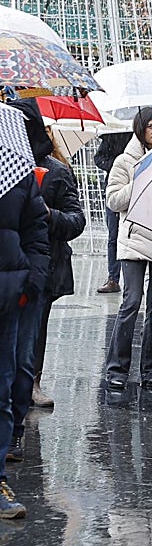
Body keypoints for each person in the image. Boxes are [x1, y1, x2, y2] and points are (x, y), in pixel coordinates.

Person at [5, 99, 85, 425]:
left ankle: (32, 382)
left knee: (33, 331)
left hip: (44, 264)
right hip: (9, 263)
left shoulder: (57, 172)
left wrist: (49, 215)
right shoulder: (6, 167)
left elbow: (77, 220)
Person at [104, 108, 152, 391]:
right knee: (131, 302)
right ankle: (117, 368)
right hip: (134, 241)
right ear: (140, 129)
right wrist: (142, 178)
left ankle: (151, 371)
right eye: (151, 126)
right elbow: (113, 201)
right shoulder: (125, 161)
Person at [0, 170, 49, 519]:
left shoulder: (17, 174)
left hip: (7, 298)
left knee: (1, 391)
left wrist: (29, 284)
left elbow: (36, 233)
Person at [94, 132, 132, 294]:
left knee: (136, 236)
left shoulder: (141, 135)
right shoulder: (111, 135)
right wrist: (118, 166)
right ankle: (113, 279)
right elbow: (99, 158)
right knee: (113, 237)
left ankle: (134, 282)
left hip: (136, 188)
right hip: (115, 189)